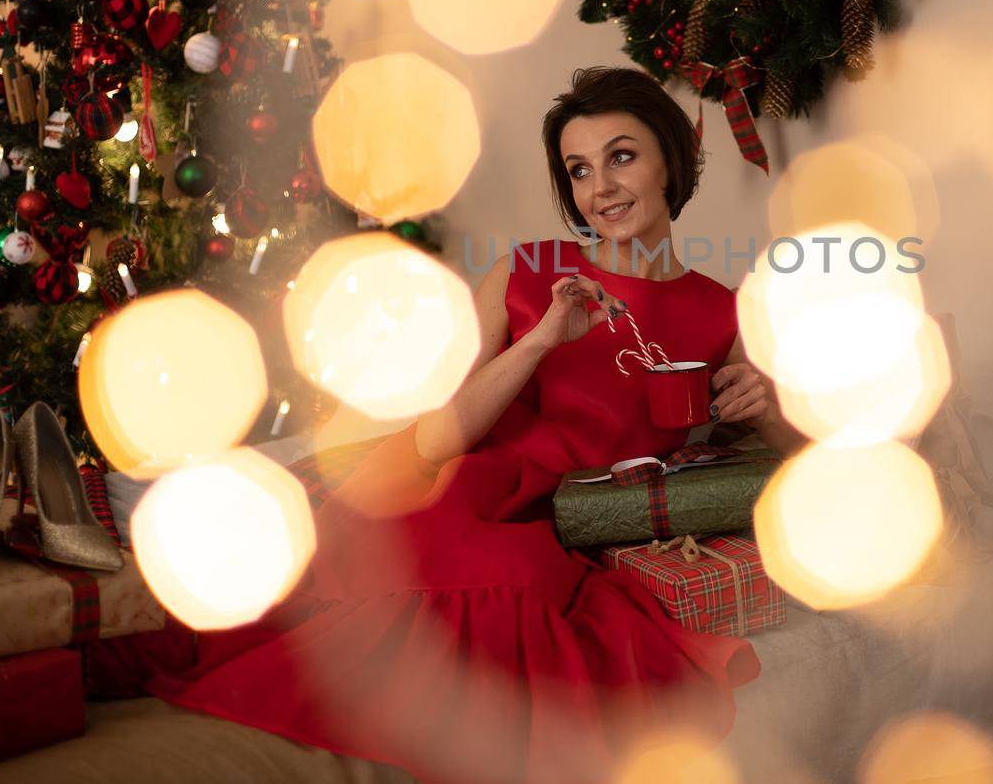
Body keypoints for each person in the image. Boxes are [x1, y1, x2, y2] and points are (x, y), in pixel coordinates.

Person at [151, 67, 803, 783]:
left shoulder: (723, 310)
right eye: (579, 170)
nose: (601, 188)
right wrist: (541, 340)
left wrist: (765, 407)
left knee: (530, 585)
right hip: (476, 488)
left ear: (671, 161)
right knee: (492, 574)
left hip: (588, 517)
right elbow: (442, 433)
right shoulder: (530, 272)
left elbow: (792, 451)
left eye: (622, 156)